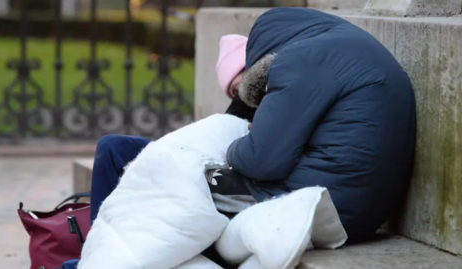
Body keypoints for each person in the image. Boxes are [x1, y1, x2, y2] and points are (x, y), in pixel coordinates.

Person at [218, 7, 416, 244]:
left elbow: (261, 161)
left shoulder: (297, 61)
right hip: (365, 211)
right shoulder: (342, 47)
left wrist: (230, 151)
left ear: (253, 68)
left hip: (326, 204)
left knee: (200, 181)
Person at [89, 34, 252, 225]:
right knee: (111, 147)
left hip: (217, 174)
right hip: (199, 162)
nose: (240, 93)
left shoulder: (278, 94)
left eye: (242, 80)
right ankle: (98, 239)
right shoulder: (243, 109)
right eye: (234, 91)